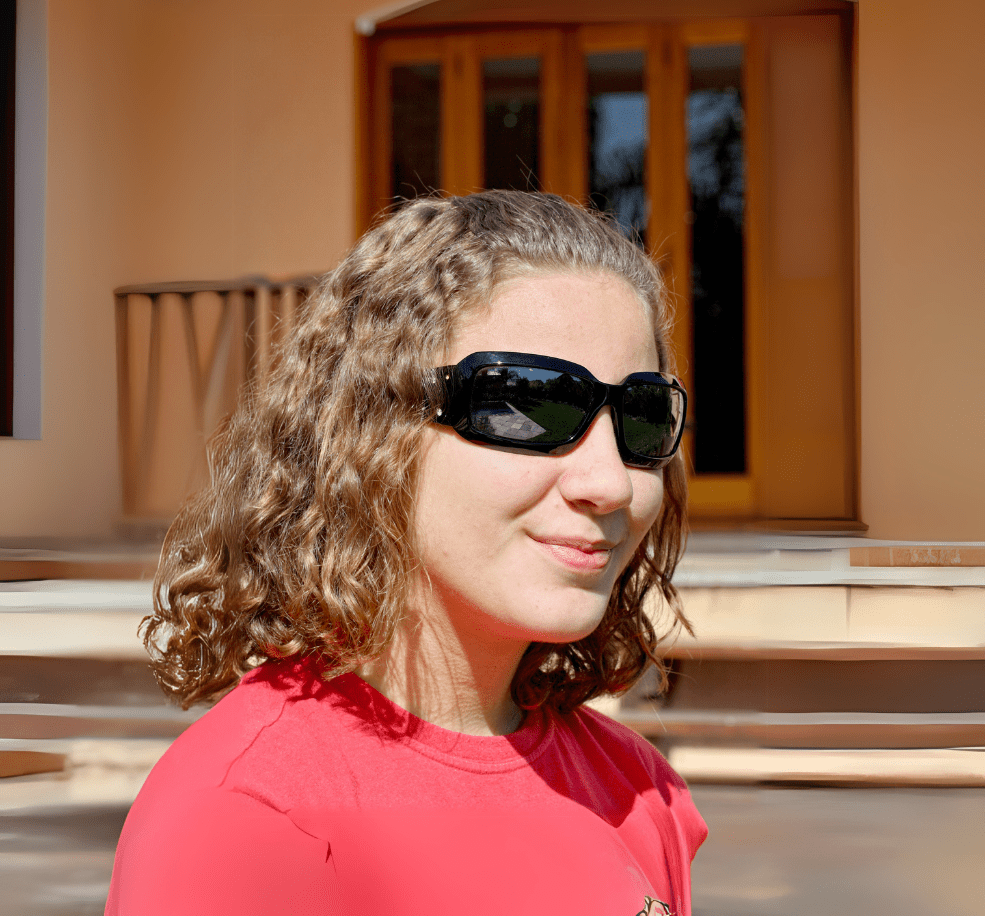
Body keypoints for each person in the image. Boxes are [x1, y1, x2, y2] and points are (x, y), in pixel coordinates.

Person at [105, 190, 707, 916]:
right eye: (529, 404)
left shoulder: (638, 789)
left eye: (642, 418)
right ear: (373, 429)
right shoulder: (247, 816)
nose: (611, 483)